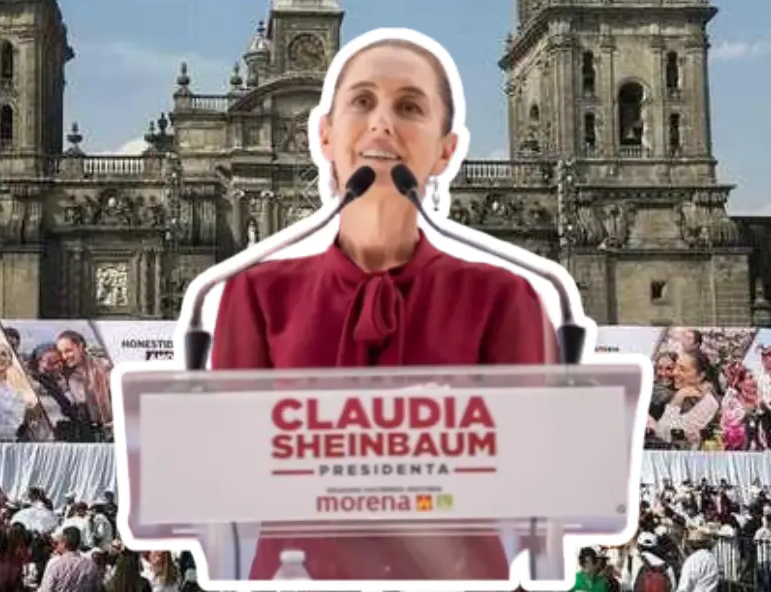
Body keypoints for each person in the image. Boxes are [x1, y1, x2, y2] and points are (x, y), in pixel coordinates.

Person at [209, 32, 557, 582]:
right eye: (361, 102)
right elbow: (228, 465)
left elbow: (537, 467)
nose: (382, 125)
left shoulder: (506, 299)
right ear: (323, 136)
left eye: (411, 107)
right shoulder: (253, 297)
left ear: (446, 149)